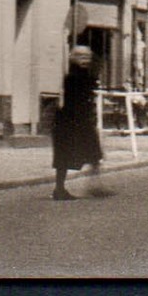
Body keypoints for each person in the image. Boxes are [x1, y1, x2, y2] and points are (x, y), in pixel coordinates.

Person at [52, 45, 107, 200]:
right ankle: (60, 188)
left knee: (94, 154)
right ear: (74, 57)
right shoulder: (74, 76)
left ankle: (94, 185)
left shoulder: (81, 74)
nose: (85, 60)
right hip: (70, 121)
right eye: (82, 57)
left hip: (77, 121)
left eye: (87, 57)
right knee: (66, 156)